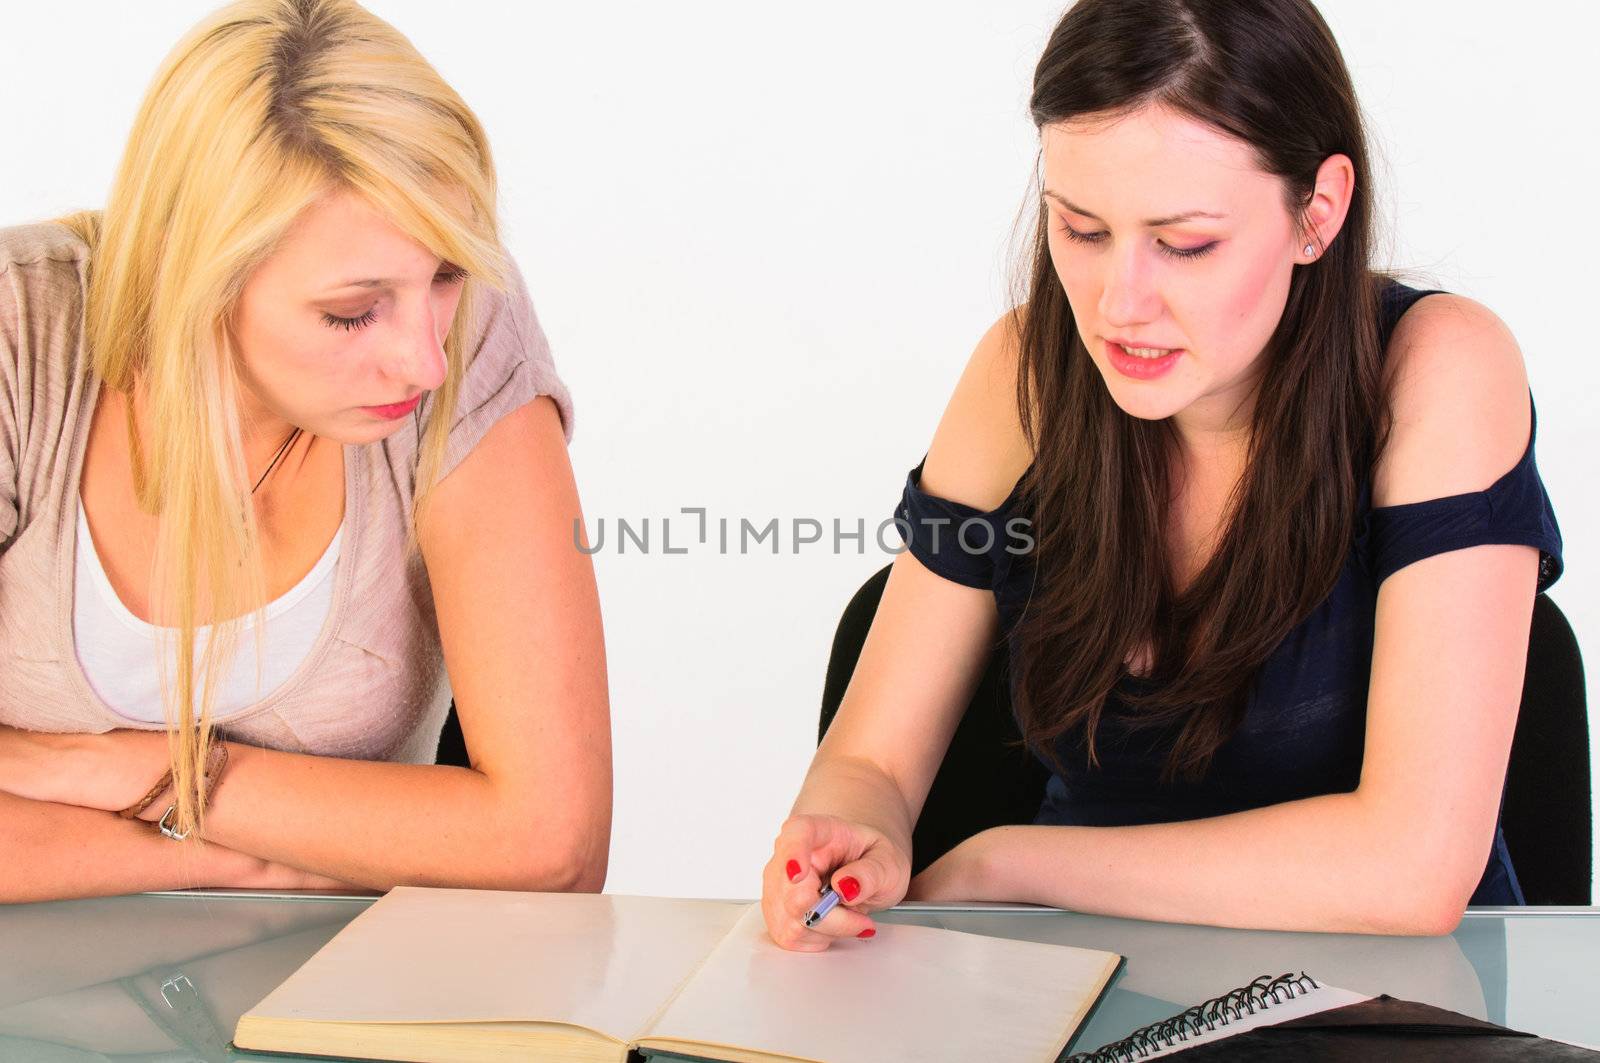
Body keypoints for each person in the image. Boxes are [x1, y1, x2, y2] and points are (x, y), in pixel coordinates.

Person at [762, 0, 1562, 948]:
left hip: (1409, 1007)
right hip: (1076, 986)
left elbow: (1412, 869)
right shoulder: (1025, 376)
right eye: (1082, 230)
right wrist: (847, 826)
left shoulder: (1439, 367)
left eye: (1185, 244)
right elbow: (873, 763)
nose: (1119, 304)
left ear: (1319, 210)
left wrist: (1007, 864)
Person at [0, 0, 611, 902]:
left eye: (443, 276)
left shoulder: (472, 331)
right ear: (189, 273)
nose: (425, 359)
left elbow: (551, 843)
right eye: (351, 311)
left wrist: (154, 777)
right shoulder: (22, 338)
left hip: (332, 1013)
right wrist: (237, 857)